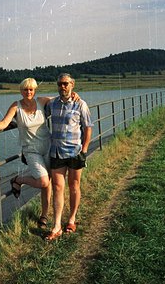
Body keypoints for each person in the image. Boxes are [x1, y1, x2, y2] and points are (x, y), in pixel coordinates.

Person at [0, 78, 79, 229]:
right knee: (43, 181)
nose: (28, 92)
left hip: (48, 146)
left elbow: (61, 98)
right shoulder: (16, 106)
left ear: (35, 90)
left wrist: (74, 94)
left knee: (47, 184)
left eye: (31, 89)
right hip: (30, 149)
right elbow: (4, 122)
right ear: (21, 91)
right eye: (25, 90)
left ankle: (44, 215)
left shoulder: (42, 101)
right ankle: (18, 180)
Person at [45, 73, 93, 240]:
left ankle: (72, 219)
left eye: (65, 84)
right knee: (58, 187)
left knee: (74, 186)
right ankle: (57, 225)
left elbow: (88, 127)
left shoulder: (81, 104)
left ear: (72, 84)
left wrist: (84, 149)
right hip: (56, 151)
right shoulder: (52, 104)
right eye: (60, 84)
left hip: (75, 152)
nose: (62, 87)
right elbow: (39, 101)